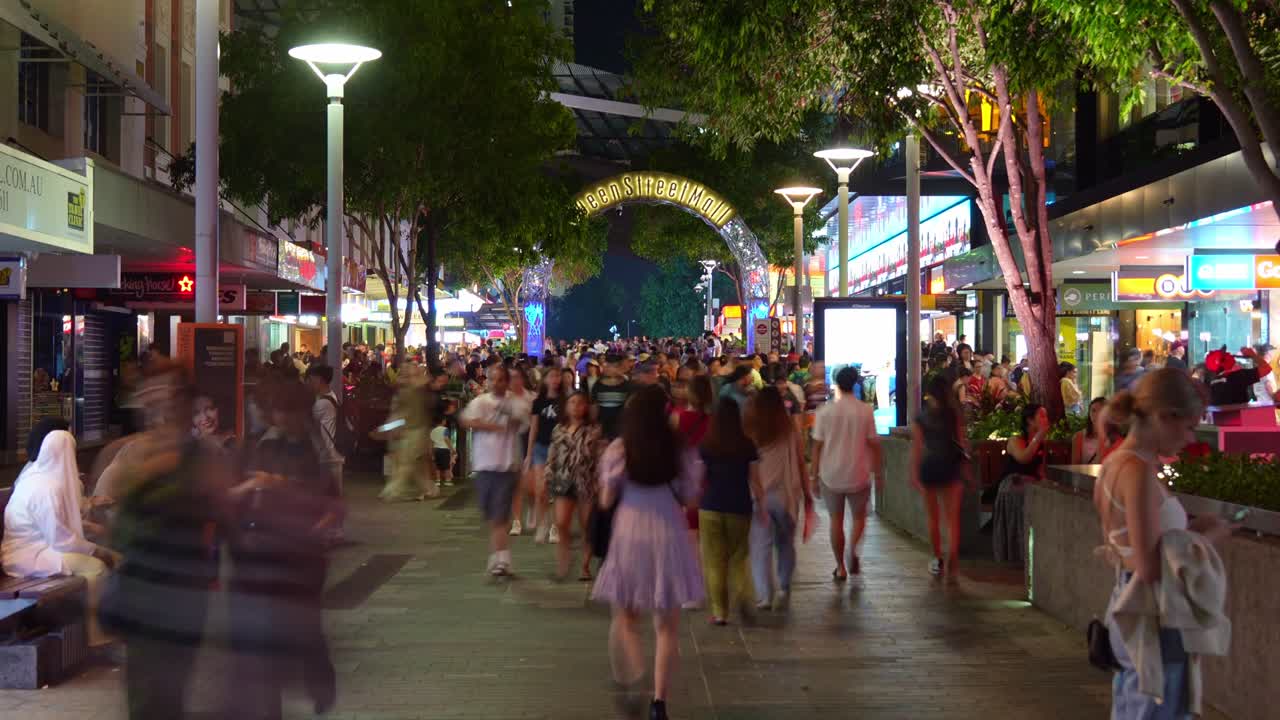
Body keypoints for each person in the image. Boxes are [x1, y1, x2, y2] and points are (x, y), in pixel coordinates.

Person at [1094, 369, 1233, 719]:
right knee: (1159, 705)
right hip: (1154, 613)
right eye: (1188, 426)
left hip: (1130, 603)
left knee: (1135, 702)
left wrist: (1187, 528)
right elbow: (1150, 564)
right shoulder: (1136, 470)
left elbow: (1133, 542)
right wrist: (1208, 537)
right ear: (1164, 416)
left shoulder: (1114, 464)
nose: (1190, 437)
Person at [229, 380, 341, 719]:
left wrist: (315, 528)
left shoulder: (316, 448)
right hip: (262, 552)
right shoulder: (259, 447)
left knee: (304, 626)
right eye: (279, 411)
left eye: (290, 411)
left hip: (303, 555)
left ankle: (320, 681)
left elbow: (332, 502)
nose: (283, 417)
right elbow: (234, 495)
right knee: (265, 640)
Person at [592, 385, 704, 720]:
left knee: (625, 617)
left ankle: (635, 671)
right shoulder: (679, 447)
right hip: (669, 530)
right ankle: (659, 702)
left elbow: (605, 501)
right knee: (667, 626)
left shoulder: (620, 448)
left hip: (630, 530)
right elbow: (691, 497)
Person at [2, 430, 119, 651]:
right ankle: (95, 636)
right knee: (97, 568)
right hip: (28, 555)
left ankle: (110, 626)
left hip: (37, 549)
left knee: (111, 559)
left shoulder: (40, 478)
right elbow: (61, 541)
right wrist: (94, 550)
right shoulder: (45, 488)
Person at [811, 366, 882, 580]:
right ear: (856, 384)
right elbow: (873, 443)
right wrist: (879, 472)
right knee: (859, 517)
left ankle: (840, 566)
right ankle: (853, 551)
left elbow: (817, 447)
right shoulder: (865, 410)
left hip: (831, 474)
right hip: (858, 472)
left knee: (836, 520)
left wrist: (814, 476)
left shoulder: (825, 411)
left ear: (836, 383)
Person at [459, 365, 530, 576]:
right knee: (491, 515)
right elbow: (464, 420)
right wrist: (486, 425)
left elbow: (520, 423)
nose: (496, 383)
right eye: (493, 379)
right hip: (484, 465)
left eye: (501, 379)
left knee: (500, 515)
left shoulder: (514, 401)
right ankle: (497, 556)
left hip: (506, 465)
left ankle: (502, 560)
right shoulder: (480, 401)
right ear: (487, 381)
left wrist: (510, 417)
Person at [746, 386, 809, 611]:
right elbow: (801, 462)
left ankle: (765, 595)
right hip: (785, 495)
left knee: (760, 546)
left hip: (759, 496)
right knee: (785, 544)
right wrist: (808, 492)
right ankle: (784, 584)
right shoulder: (789, 430)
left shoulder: (751, 430)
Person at [696, 400, 758, 626]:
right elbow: (755, 480)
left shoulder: (707, 444)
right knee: (738, 558)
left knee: (714, 561)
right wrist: (760, 503)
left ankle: (720, 612)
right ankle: (743, 596)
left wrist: (692, 499)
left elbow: (700, 477)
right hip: (739, 505)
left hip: (711, 505)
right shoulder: (746, 444)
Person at [911, 374, 968, 584]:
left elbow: (917, 448)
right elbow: (961, 442)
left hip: (930, 467)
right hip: (951, 466)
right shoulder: (954, 414)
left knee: (933, 517)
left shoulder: (921, 417)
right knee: (952, 519)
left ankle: (937, 558)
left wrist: (914, 473)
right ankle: (953, 558)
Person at [545, 390, 604, 581]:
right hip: (563, 480)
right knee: (561, 523)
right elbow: (552, 454)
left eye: (580, 403)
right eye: (572, 402)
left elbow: (599, 457)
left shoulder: (593, 430)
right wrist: (548, 474)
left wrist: (600, 481)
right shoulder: (559, 429)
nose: (576, 406)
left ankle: (585, 566)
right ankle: (563, 560)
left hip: (586, 481)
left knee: (587, 525)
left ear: (586, 407)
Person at [993, 404, 1049, 563]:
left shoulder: (1040, 443)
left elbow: (1040, 471)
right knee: (1022, 495)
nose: (1046, 420)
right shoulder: (1015, 440)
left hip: (1031, 486)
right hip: (1012, 485)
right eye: (1042, 416)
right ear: (1030, 420)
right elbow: (1024, 458)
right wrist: (1039, 436)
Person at [519, 369, 564, 543]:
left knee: (557, 490)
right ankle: (542, 524)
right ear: (545, 380)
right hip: (540, 447)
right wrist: (528, 454)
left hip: (559, 448)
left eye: (557, 376)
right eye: (552, 376)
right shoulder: (538, 402)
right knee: (541, 490)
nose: (555, 379)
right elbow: (534, 428)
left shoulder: (565, 400)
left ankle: (555, 527)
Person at [1204, 345, 1272, 406]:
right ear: (1224, 363)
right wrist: (1252, 355)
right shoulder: (1238, 377)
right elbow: (1266, 368)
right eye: (1226, 355)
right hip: (1241, 418)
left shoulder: (1210, 383)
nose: (1230, 355)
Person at [591, 353, 632, 440]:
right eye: (607, 366)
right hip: (602, 430)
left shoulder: (626, 385)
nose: (607, 368)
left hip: (620, 430)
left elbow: (628, 408)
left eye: (614, 366)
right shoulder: (598, 385)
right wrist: (594, 425)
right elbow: (594, 408)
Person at [1072, 397, 1111, 464]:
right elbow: (1075, 465)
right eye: (1093, 410)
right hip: (1085, 473)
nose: (1096, 415)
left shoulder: (1112, 437)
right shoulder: (1079, 436)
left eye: (1101, 411)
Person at [430, 414, 456, 489]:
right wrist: (452, 449)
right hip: (444, 449)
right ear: (442, 421)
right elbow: (446, 439)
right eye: (444, 420)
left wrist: (432, 453)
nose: (445, 421)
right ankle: (447, 481)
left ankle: (438, 481)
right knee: (446, 466)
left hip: (436, 449)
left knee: (437, 466)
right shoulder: (445, 429)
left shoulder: (433, 430)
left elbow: (431, 442)